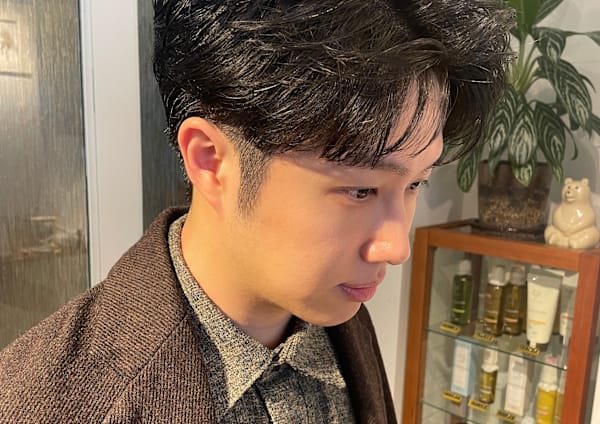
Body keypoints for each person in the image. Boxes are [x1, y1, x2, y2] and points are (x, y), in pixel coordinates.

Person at [0, 0, 512, 422]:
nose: (396, 246)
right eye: (360, 190)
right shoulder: (43, 403)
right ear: (211, 161)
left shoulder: (335, 312)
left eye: (415, 182)